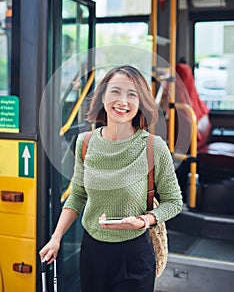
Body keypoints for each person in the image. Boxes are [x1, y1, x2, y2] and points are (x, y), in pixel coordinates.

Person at [39, 65, 183, 292]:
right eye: (115, 91)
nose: (122, 101)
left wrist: (145, 220)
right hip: (93, 253)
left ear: (141, 102)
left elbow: (174, 202)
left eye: (132, 94)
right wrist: (56, 238)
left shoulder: (153, 147)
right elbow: (77, 196)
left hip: (134, 254)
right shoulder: (84, 143)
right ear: (103, 96)